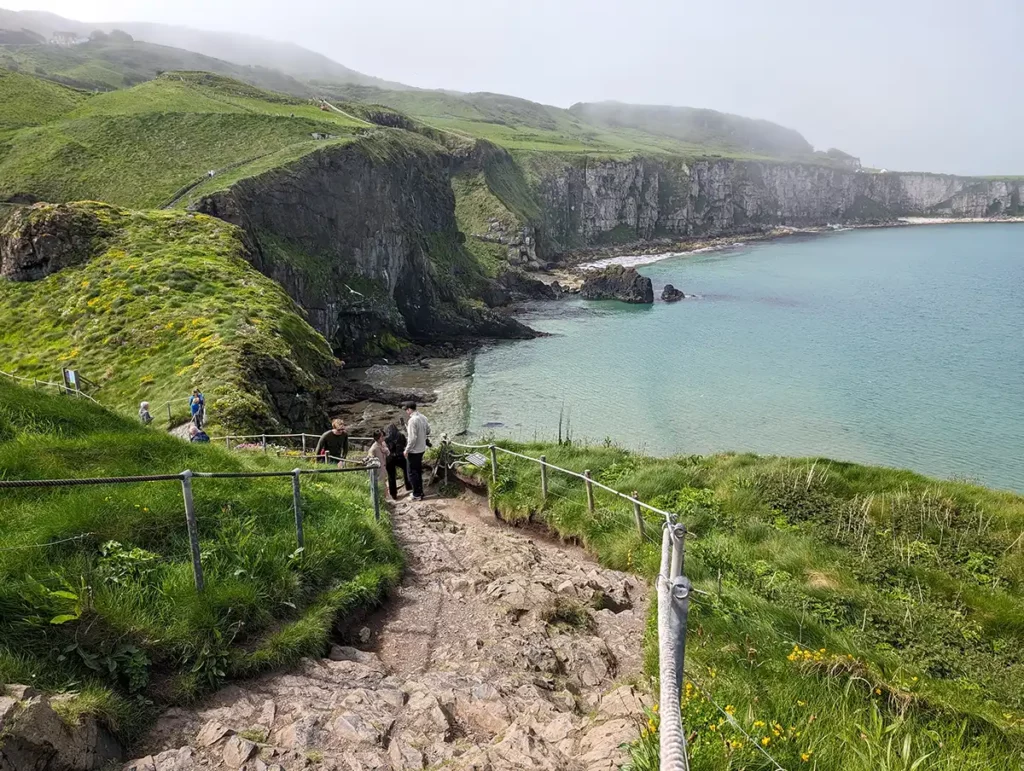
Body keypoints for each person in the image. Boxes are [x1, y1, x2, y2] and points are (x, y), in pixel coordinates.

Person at [403, 402, 430, 501]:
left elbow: (412, 438)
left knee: (412, 473)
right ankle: (420, 491)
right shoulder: (423, 417)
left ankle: (416, 494)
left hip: (414, 451)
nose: (406, 412)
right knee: (418, 471)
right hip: (422, 448)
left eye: (406, 410)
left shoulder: (412, 420)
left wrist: (407, 450)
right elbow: (428, 431)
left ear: (409, 409)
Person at [384, 423, 407, 499]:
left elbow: (385, 448)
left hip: (390, 457)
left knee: (391, 476)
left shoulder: (386, 439)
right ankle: (409, 485)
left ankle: (393, 494)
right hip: (400, 456)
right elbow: (405, 444)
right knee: (406, 469)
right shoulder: (401, 435)